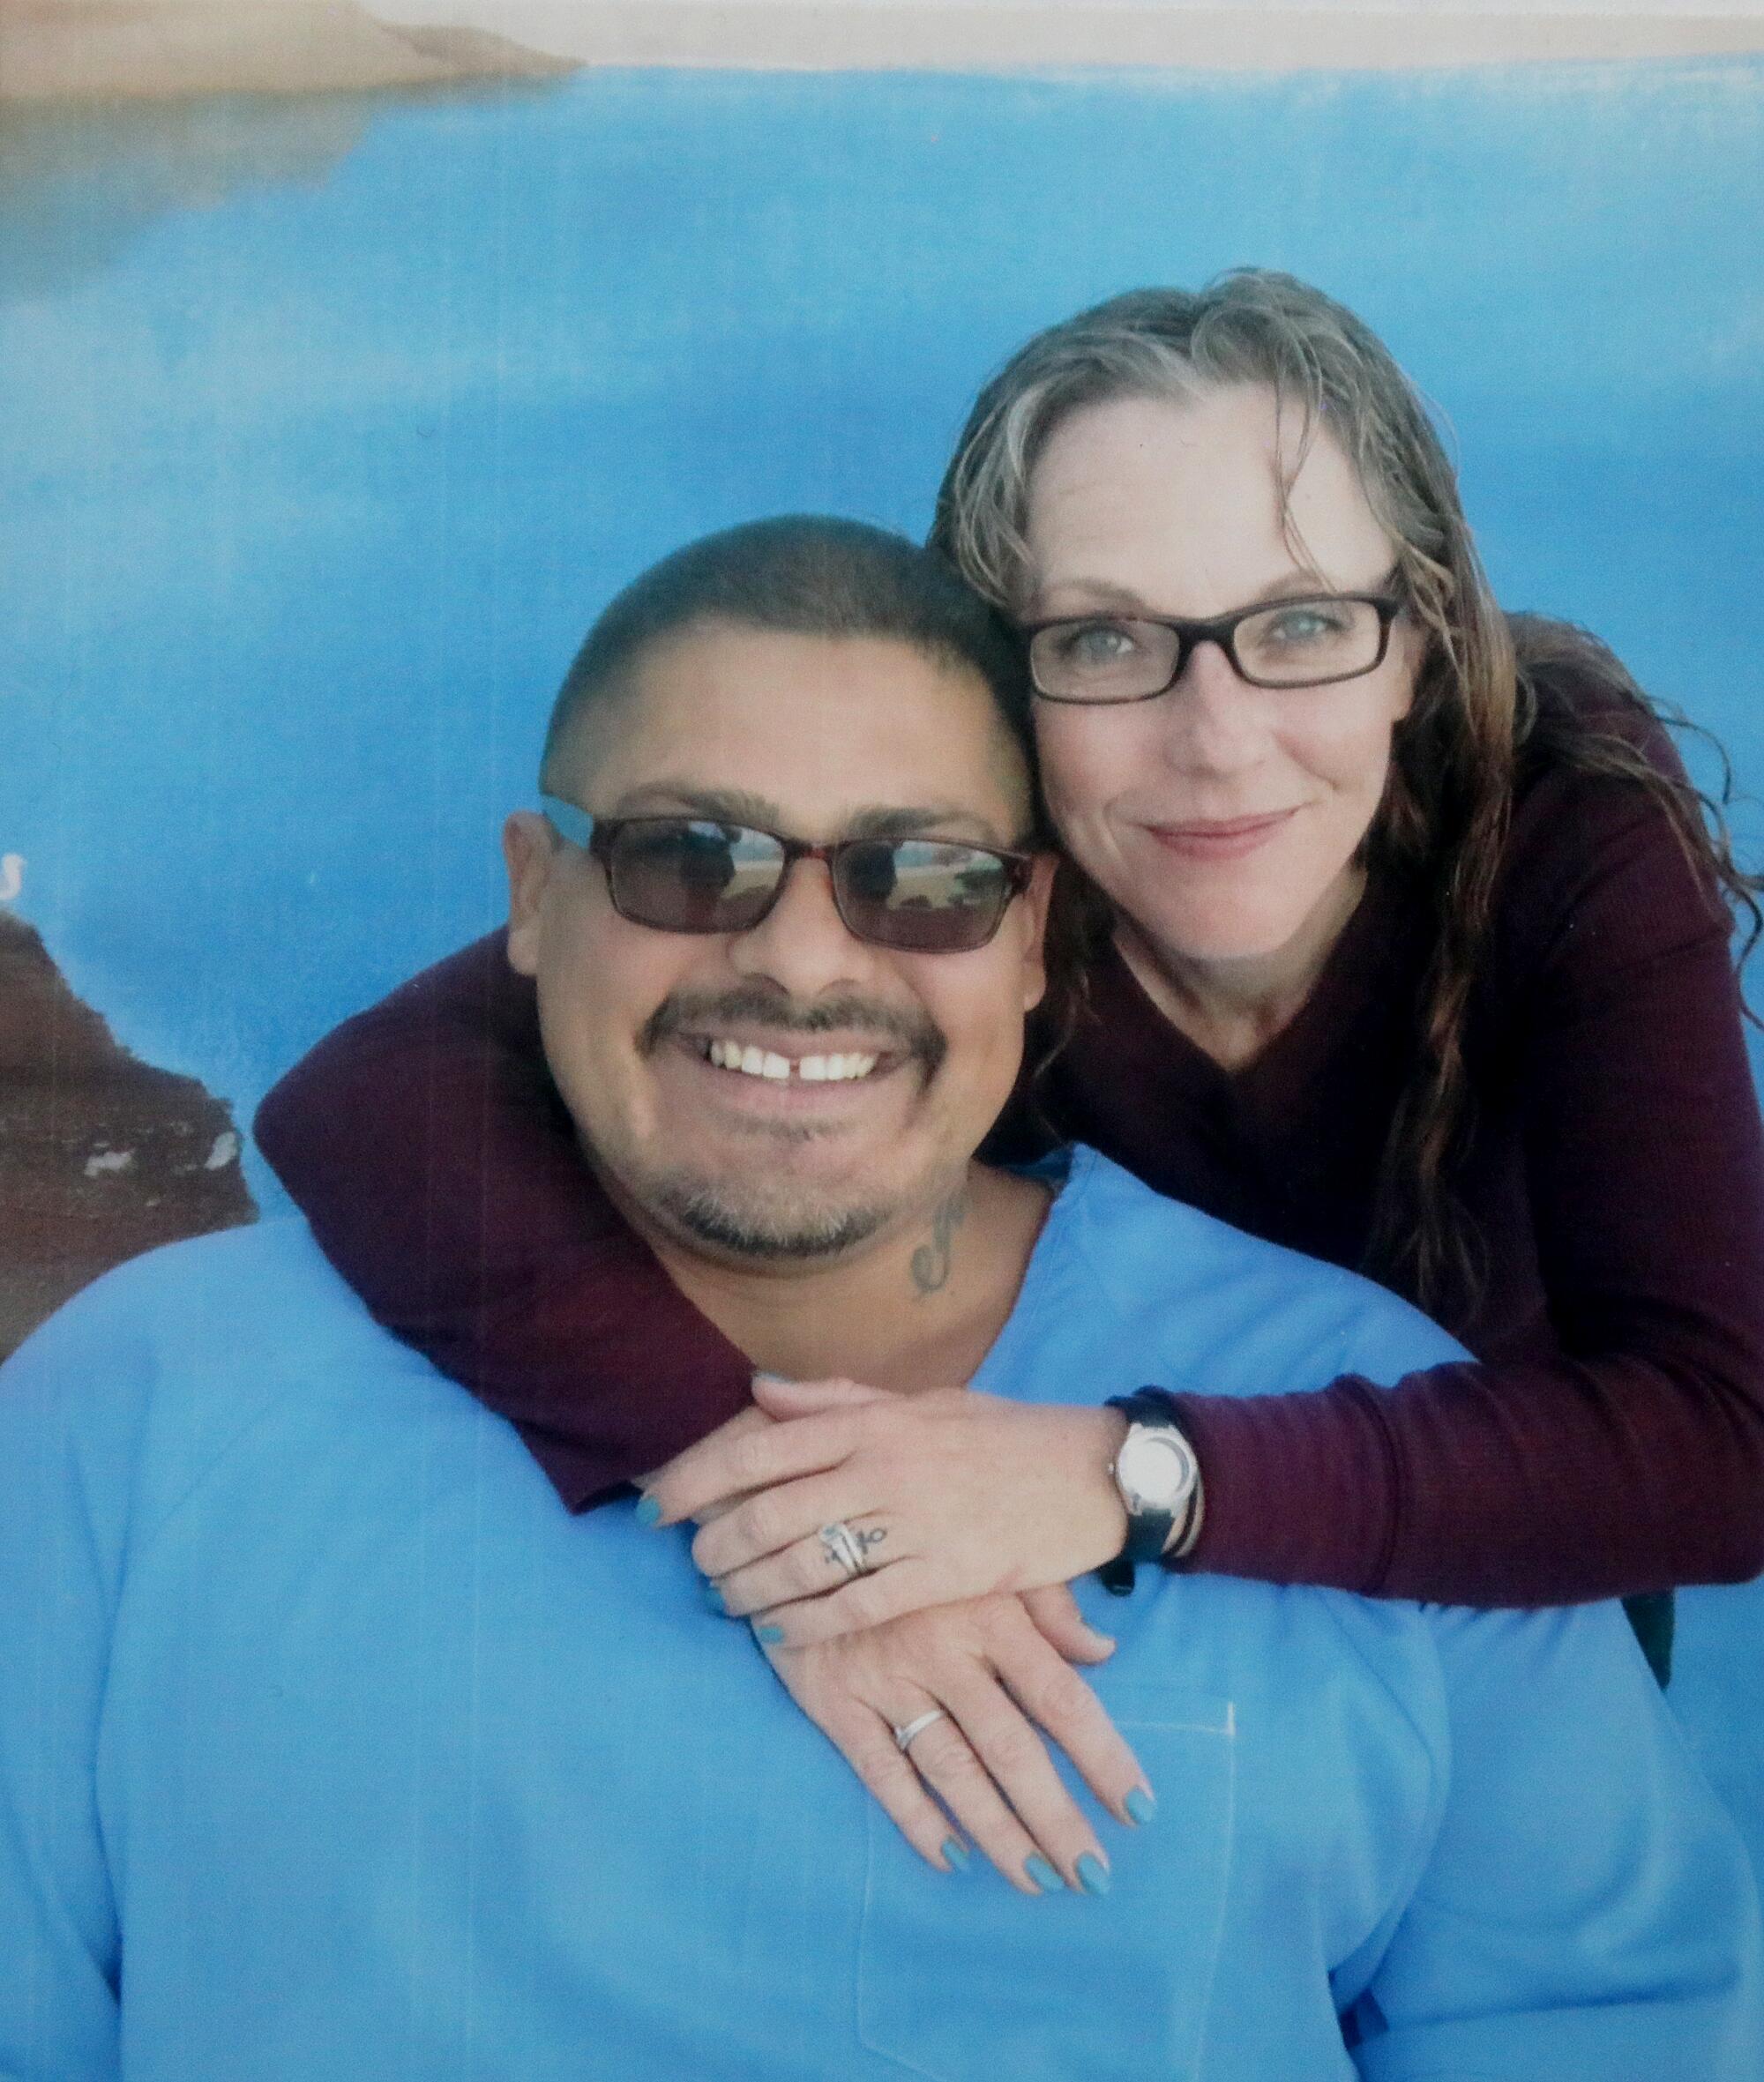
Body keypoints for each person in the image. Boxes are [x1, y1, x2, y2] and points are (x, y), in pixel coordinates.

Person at [4, 518, 1760, 2079]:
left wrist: (1123, 1478)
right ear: (534, 898)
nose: (798, 955)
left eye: (919, 877)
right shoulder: (139, 1411)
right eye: (692, 858)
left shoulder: (1374, 1426)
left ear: (1027, 930)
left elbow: (1614, 2020)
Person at [255, 272, 1764, 1714]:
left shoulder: (1562, 813)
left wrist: (1122, 1473)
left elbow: (1724, 1444)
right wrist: (757, 1473)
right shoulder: (947, 888)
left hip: (1476, 1559)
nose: (1218, 739)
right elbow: (376, 1096)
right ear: (1003, 680)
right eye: (1104, 638)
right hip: (1017, 1555)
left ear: (1417, 647)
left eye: (1302, 624)